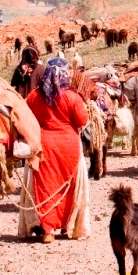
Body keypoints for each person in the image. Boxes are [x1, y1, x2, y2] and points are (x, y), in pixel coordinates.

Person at [19, 58, 90, 242]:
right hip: (69, 147)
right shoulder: (72, 97)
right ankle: (68, 225)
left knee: (46, 185)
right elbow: (82, 121)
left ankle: (48, 229)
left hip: (44, 146)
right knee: (70, 185)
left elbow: (26, 118)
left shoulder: (34, 96)